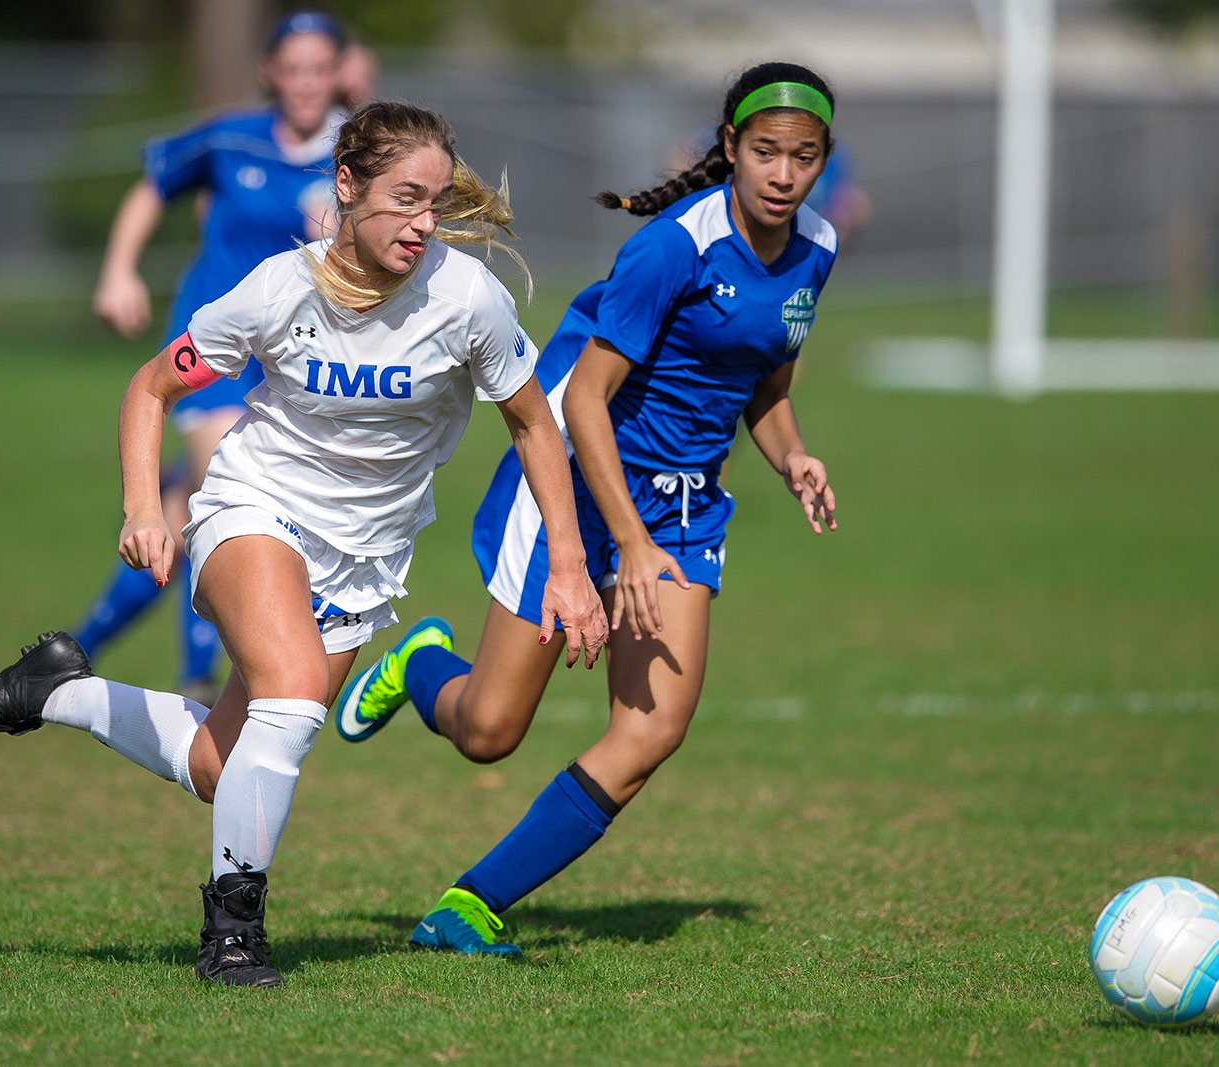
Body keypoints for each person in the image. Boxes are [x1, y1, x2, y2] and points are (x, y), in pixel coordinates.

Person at [0, 101, 609, 988]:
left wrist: (568, 565)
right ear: (346, 186)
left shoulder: (467, 300)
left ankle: (56, 690)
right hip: (253, 508)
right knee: (289, 698)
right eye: (404, 198)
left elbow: (533, 423)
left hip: (364, 560)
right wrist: (145, 506)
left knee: (224, 765)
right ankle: (233, 934)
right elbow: (149, 388)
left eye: (436, 202)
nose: (423, 223)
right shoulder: (276, 289)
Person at [334, 62, 841, 957]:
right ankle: (420, 666)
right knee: (488, 733)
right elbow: (583, 402)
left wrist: (792, 453)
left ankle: (470, 904)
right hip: (575, 483)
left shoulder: (817, 250)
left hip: (684, 511)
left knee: (651, 732)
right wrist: (628, 545)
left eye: (803, 157)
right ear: (730, 149)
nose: (782, 173)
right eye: (764, 152)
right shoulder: (673, 247)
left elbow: (762, 374)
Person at [77, 10, 355, 702]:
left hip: (293, 360)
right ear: (270, 74)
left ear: (339, 73)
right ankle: (203, 675)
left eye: (319, 69)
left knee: (175, 519)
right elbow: (153, 189)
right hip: (212, 345)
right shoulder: (232, 138)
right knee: (220, 491)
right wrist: (119, 271)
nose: (305, 83)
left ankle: (75, 651)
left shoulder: (355, 156)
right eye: (292, 69)